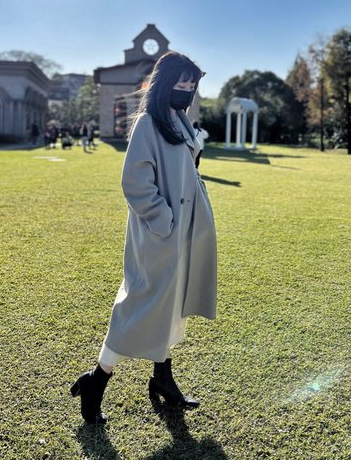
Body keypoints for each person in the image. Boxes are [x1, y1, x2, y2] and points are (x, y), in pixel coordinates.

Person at [71, 51, 217, 425]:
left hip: (183, 232)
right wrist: (164, 220)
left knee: (171, 305)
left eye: (192, 84)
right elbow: (135, 183)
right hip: (160, 234)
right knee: (138, 306)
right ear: (164, 84)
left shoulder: (179, 122)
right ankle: (96, 380)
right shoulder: (148, 124)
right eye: (181, 83)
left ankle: (162, 378)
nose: (187, 89)